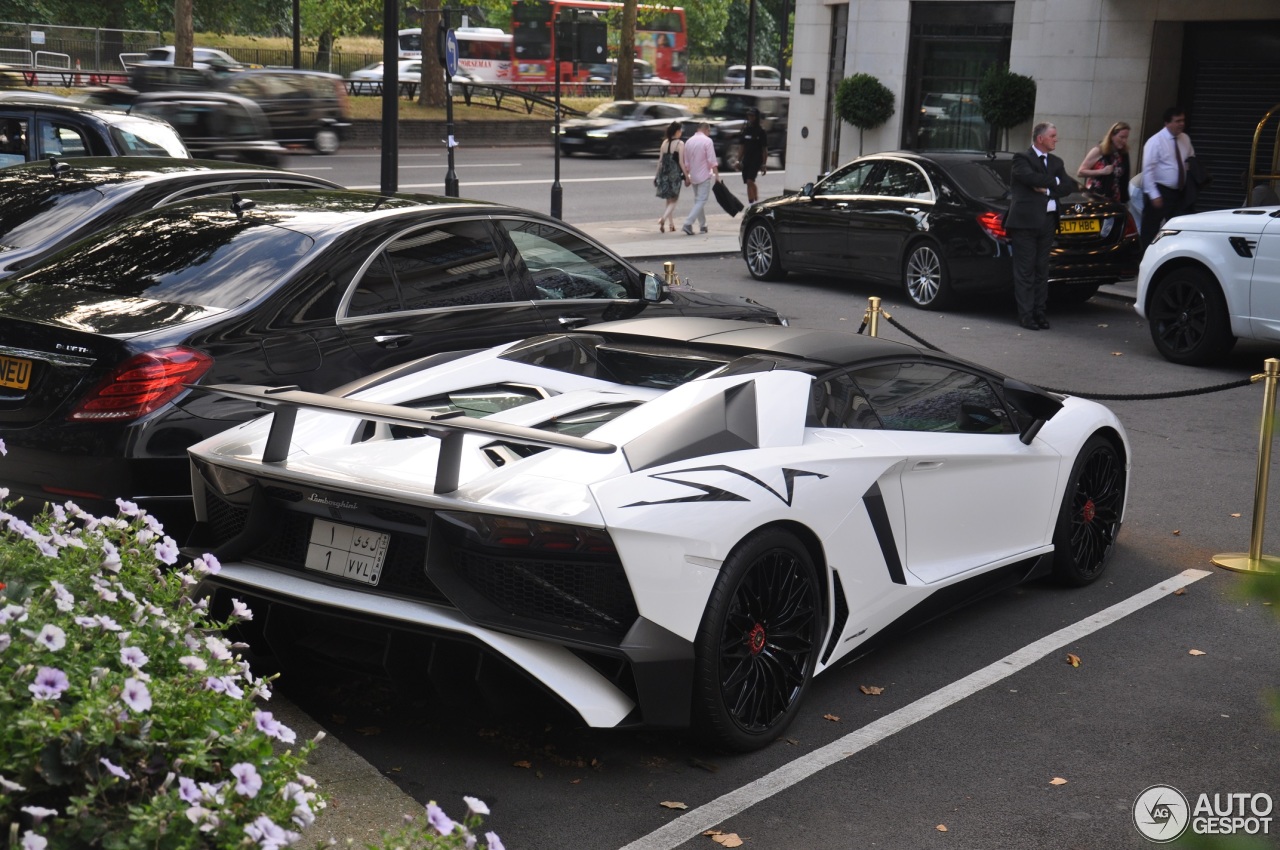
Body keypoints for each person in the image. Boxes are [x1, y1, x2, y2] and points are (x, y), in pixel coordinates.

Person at [1006, 122, 1077, 331]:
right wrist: (1054, 182)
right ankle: (1026, 315)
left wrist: (1047, 189)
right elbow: (1029, 177)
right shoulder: (1022, 158)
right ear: (1040, 139)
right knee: (1025, 270)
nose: (1056, 139)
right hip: (1025, 222)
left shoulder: (1056, 162)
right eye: (1053, 136)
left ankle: (1040, 312)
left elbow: (1067, 186)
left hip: (1048, 221)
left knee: (1042, 269)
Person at [1140, 107, 1194, 250]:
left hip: (1179, 192)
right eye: (1177, 121)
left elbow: (1190, 159)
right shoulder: (1155, 141)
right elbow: (1148, 170)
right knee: (1150, 227)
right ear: (1167, 123)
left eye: (1183, 120)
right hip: (1160, 190)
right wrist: (1154, 195)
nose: (1181, 124)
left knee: (1178, 226)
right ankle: (1144, 256)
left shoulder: (1185, 139)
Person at [1077, 120, 1130, 204]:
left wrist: (1125, 200)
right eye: (1121, 137)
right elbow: (1080, 172)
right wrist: (1102, 171)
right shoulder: (1099, 150)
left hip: (1115, 198)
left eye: (1126, 137)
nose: (1124, 141)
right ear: (1112, 136)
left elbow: (1124, 179)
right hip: (1097, 196)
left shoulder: (1123, 154)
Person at [680, 122, 718, 236]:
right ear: (706, 129)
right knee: (701, 200)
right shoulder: (707, 141)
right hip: (704, 175)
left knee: (698, 201)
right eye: (709, 131)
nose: (709, 133)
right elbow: (712, 160)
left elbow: (686, 162)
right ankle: (688, 223)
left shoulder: (689, 141)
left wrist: (687, 176)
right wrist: (717, 176)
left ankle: (703, 225)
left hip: (694, 175)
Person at [654, 121, 685, 233]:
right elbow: (681, 162)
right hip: (674, 174)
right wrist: (686, 175)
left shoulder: (664, 143)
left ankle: (671, 225)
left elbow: (660, 161)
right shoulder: (680, 144)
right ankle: (663, 219)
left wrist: (656, 176)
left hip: (664, 174)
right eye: (680, 130)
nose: (681, 132)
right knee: (674, 200)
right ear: (677, 131)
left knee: (668, 199)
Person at [737, 107, 768, 203]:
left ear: (756, 117)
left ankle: (756, 200)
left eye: (752, 116)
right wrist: (738, 160)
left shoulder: (761, 132)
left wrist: (763, 164)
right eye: (749, 115)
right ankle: (752, 203)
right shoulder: (746, 130)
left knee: (750, 181)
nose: (750, 117)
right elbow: (742, 146)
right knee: (748, 182)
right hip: (747, 159)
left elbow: (764, 149)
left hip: (756, 160)